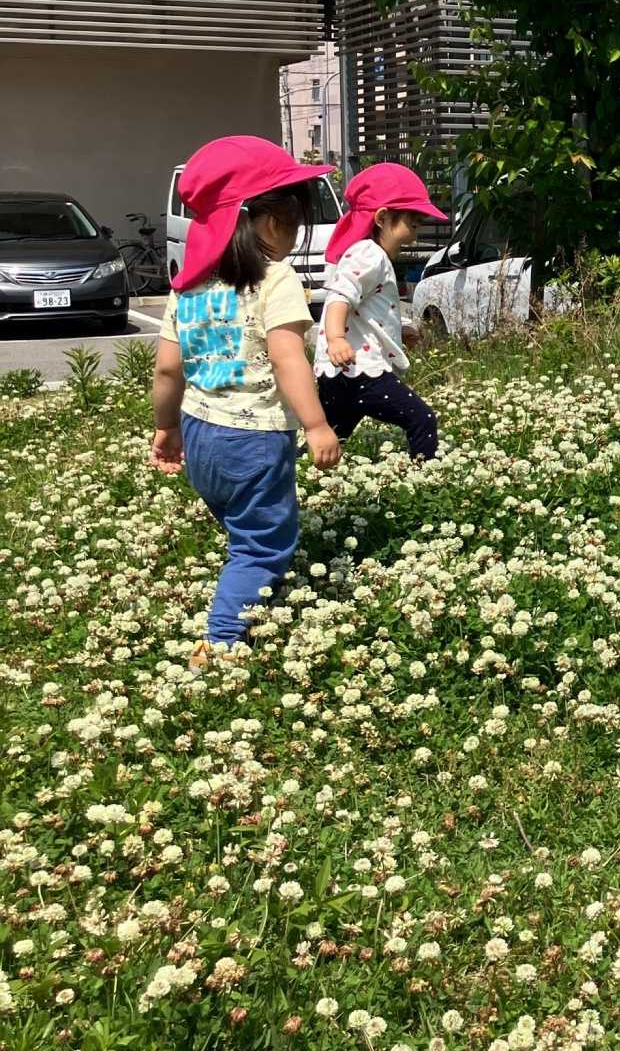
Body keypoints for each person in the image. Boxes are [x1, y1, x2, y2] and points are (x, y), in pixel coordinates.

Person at [149, 136, 341, 664]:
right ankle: (223, 640)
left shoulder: (186, 287)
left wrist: (166, 431)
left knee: (243, 528)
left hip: (200, 435)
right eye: (294, 217)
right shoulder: (274, 278)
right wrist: (317, 424)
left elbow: (168, 368)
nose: (297, 230)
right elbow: (288, 357)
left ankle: (241, 592)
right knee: (262, 544)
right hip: (253, 440)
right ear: (265, 218)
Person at [315, 163, 447, 460]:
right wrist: (336, 338)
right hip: (360, 369)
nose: (414, 235)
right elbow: (340, 297)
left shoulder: (366, 254)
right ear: (383, 217)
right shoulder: (369, 253)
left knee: (332, 437)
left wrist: (401, 328)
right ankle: (427, 478)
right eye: (412, 225)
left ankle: (295, 476)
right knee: (421, 419)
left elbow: (368, 309)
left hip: (338, 371)